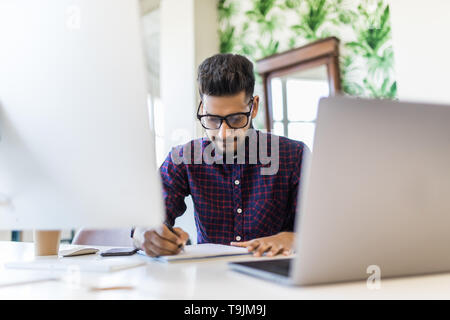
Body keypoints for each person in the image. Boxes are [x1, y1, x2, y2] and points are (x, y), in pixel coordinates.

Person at [133, 53, 309, 257]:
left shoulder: (294, 156)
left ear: (254, 107)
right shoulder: (184, 158)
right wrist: (145, 233)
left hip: (277, 276)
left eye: (235, 119)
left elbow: (322, 229)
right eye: (212, 119)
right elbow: (145, 219)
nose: (223, 133)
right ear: (202, 107)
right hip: (209, 279)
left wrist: (292, 238)